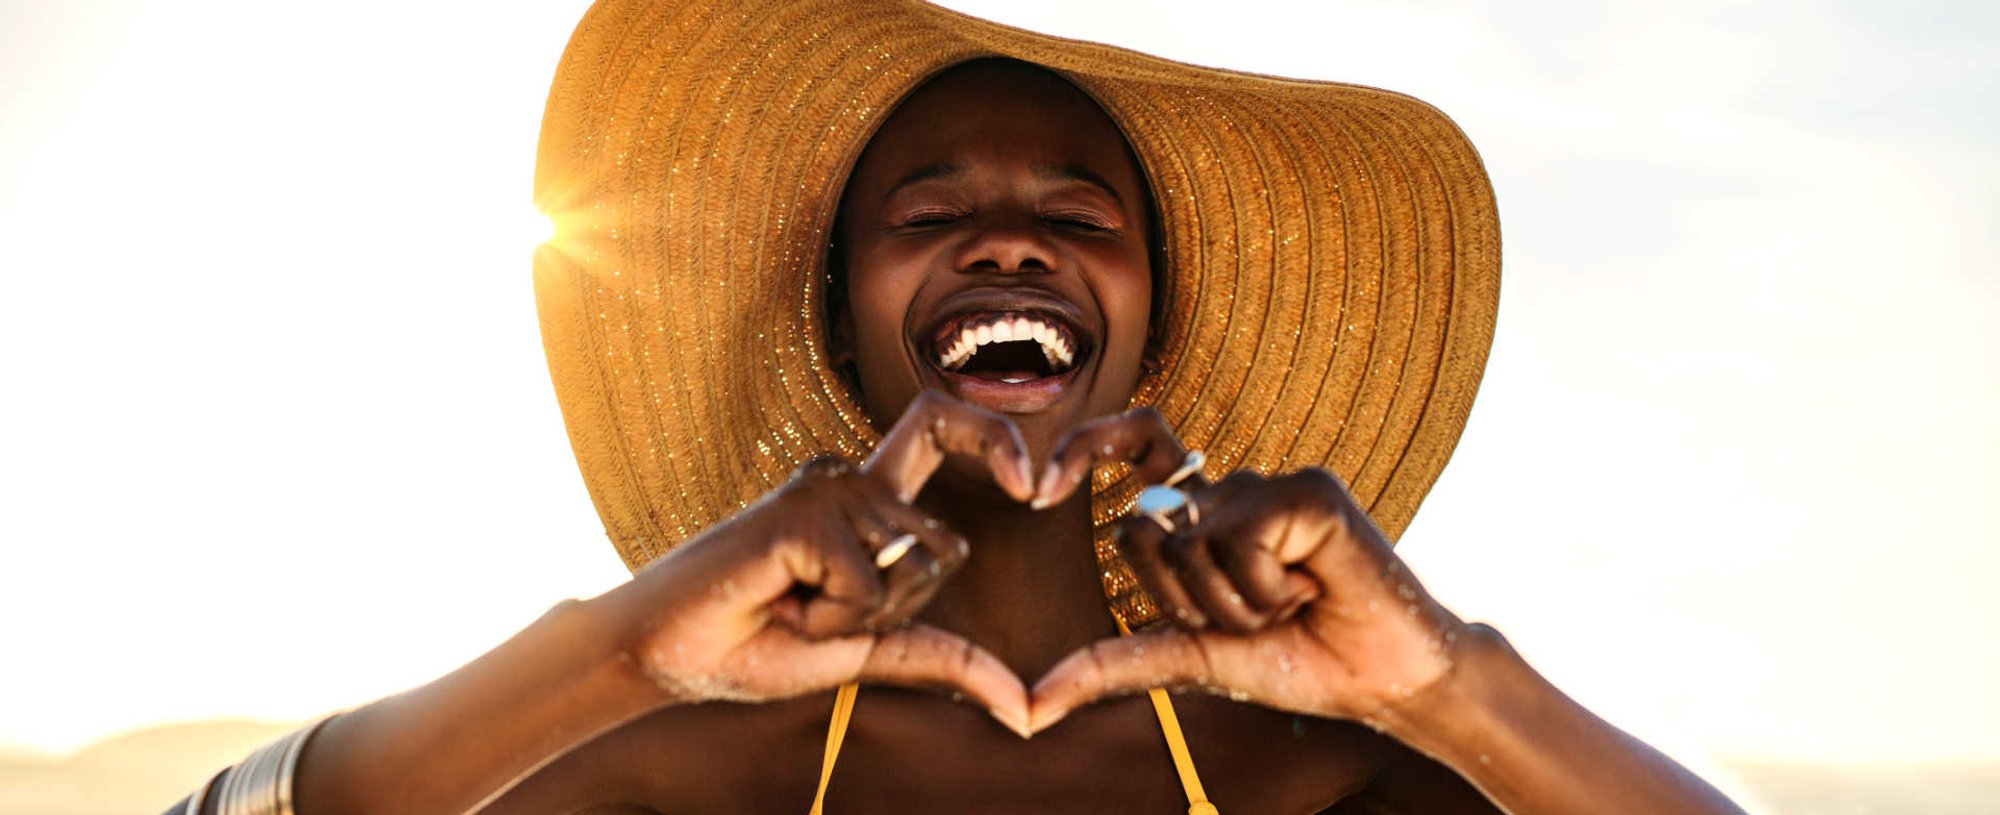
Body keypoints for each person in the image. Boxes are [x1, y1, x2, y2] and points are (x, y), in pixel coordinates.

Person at [170, 1, 1748, 813]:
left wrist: (1450, 688)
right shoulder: (678, 765)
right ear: (840, 331)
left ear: (1153, 330)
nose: (1009, 244)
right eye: (931, 215)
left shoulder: (1322, 774)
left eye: (1078, 214)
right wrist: (615, 656)